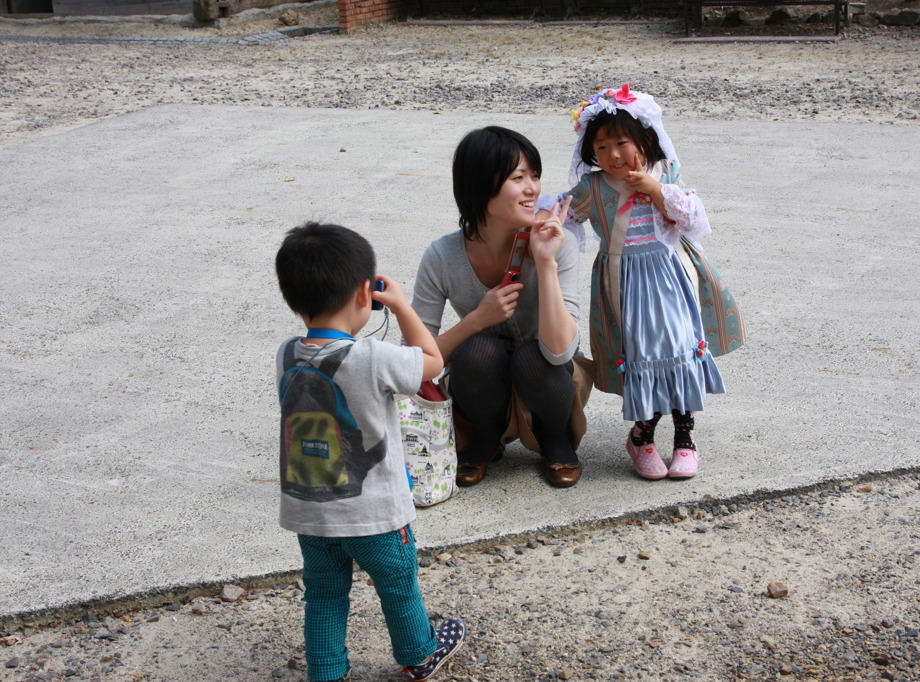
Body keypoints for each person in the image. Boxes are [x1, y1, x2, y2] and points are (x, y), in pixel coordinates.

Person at [274, 221, 465, 682]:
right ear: (366, 295)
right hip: (374, 512)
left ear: (291, 299)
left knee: (322, 592)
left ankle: (326, 671)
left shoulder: (285, 353)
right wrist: (400, 305)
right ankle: (419, 653)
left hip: (311, 511)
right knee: (398, 586)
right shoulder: (374, 356)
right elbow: (433, 362)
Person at [550, 84, 726, 480]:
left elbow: (694, 222)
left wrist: (658, 190)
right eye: (601, 147)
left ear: (646, 139)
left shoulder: (664, 175)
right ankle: (642, 437)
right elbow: (562, 216)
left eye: (621, 142)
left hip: (670, 277)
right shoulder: (592, 188)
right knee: (644, 358)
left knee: (680, 349)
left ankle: (685, 438)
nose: (613, 155)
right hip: (624, 286)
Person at [411, 126, 589, 489]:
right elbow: (413, 364)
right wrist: (477, 320)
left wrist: (544, 263)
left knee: (533, 355)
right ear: (480, 186)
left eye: (535, 176)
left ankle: (555, 438)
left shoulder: (558, 242)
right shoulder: (442, 256)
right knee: (476, 350)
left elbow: (561, 353)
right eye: (518, 178)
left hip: (548, 376)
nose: (533, 189)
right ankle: (485, 438)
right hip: (480, 383)